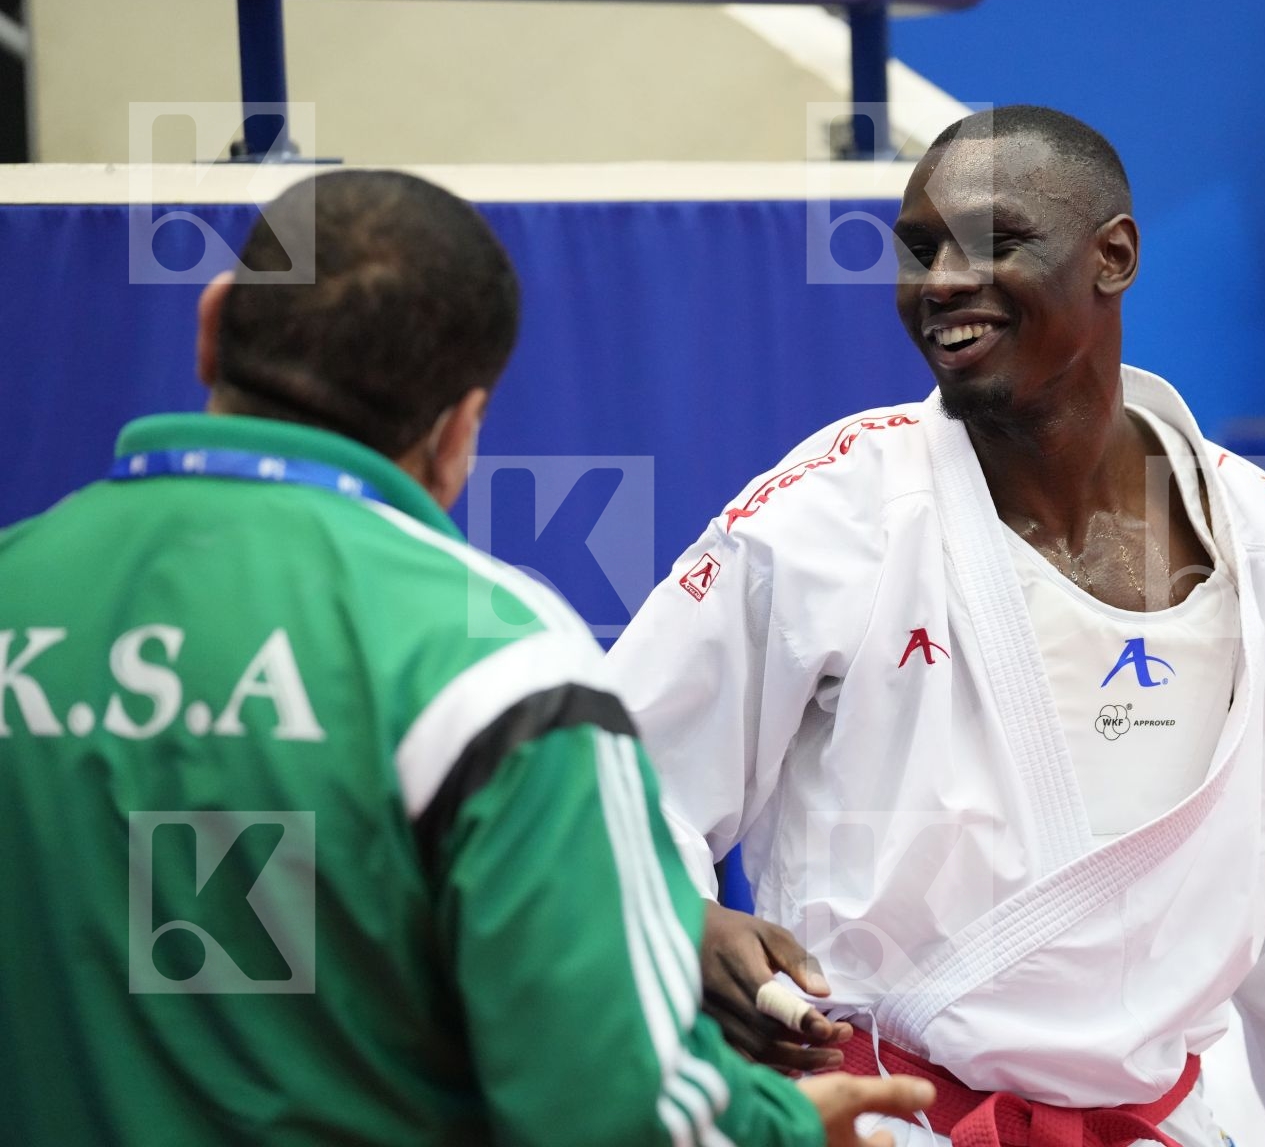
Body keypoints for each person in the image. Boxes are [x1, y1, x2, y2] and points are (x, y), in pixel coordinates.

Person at [0, 170, 931, 1147]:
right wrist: (780, 1129)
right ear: (459, 430)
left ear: (209, 325)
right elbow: (608, 1110)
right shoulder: (492, 665)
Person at [599, 106, 1265, 1146]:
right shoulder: (832, 512)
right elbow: (609, 786)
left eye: (993, 242)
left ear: (1114, 257)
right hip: (891, 1119)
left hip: (1165, 1125)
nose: (940, 282)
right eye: (918, 250)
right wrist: (681, 914)